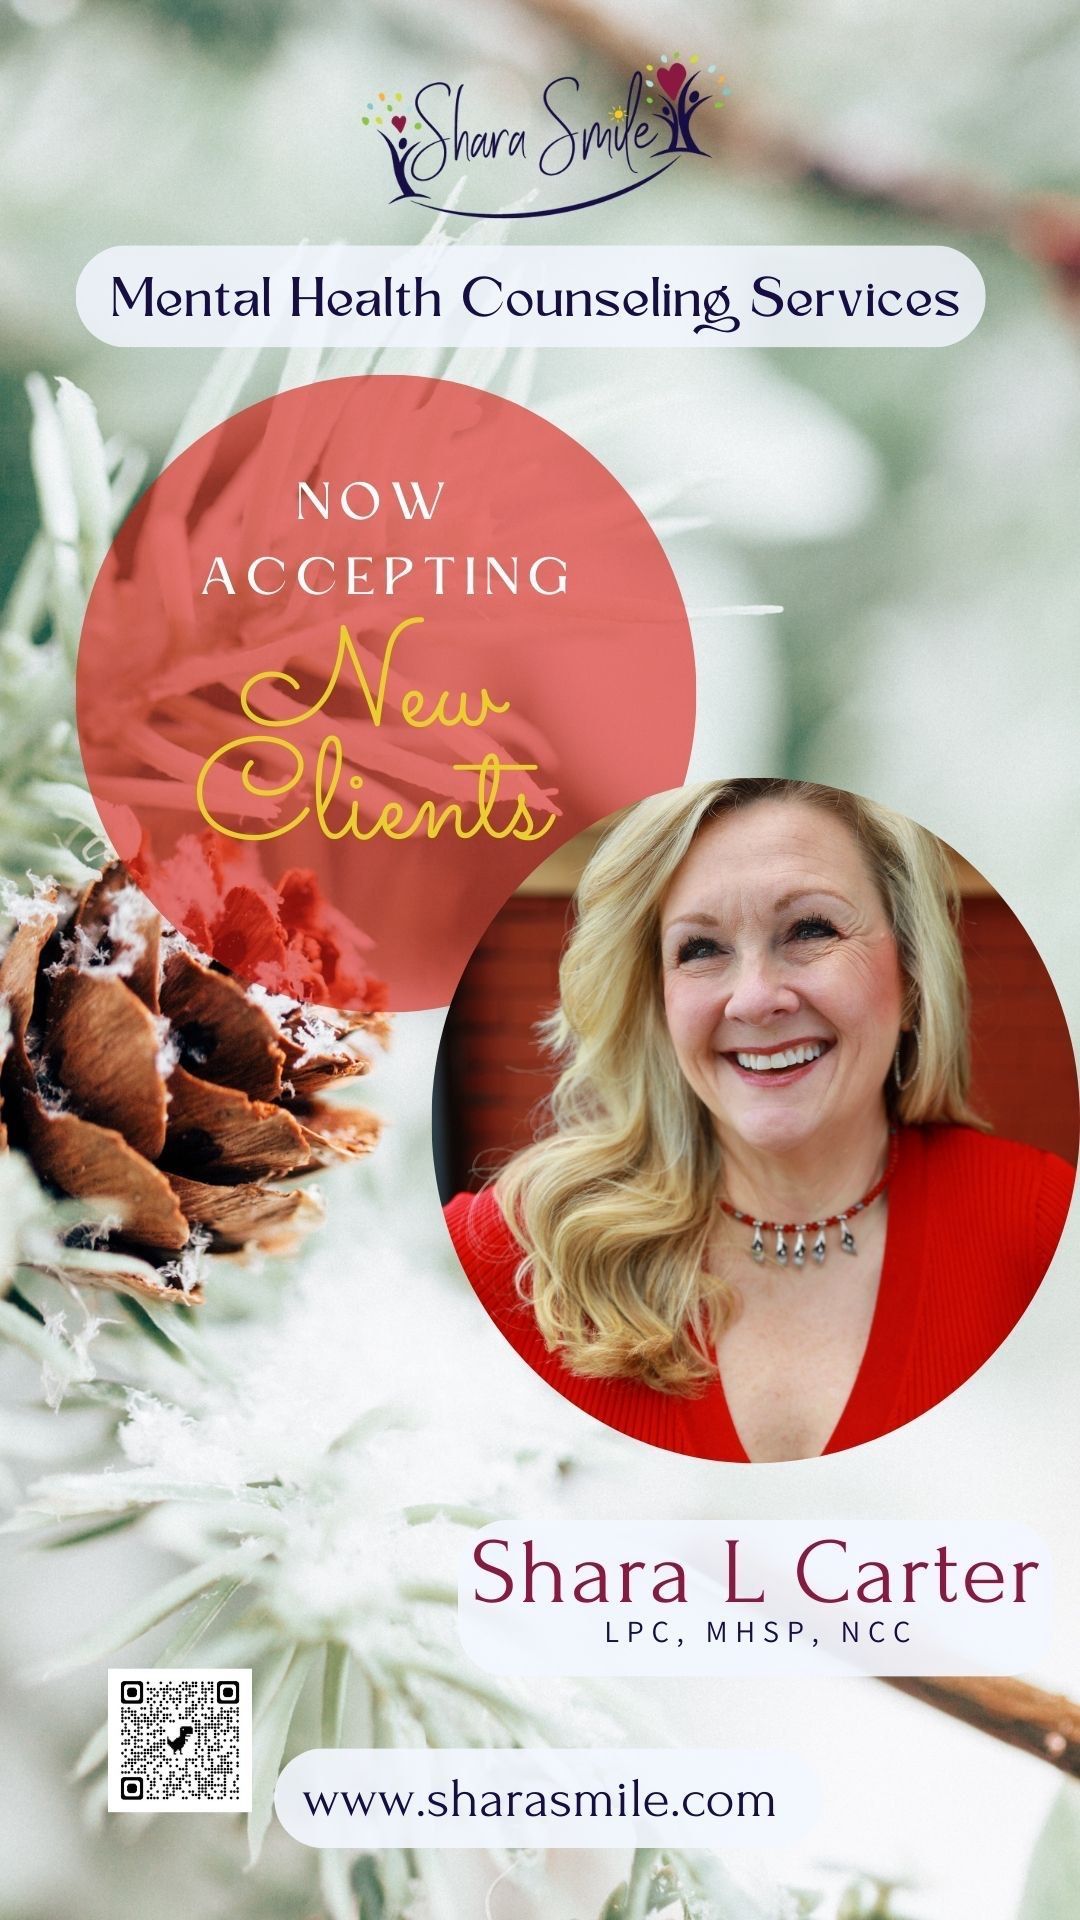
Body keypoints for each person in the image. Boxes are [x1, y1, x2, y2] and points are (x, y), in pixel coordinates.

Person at [445, 779, 1075, 1462]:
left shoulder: (1042, 1225)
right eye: (700, 949)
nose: (753, 999)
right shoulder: (517, 1252)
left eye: (811, 930)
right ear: (657, 1001)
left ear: (912, 978)